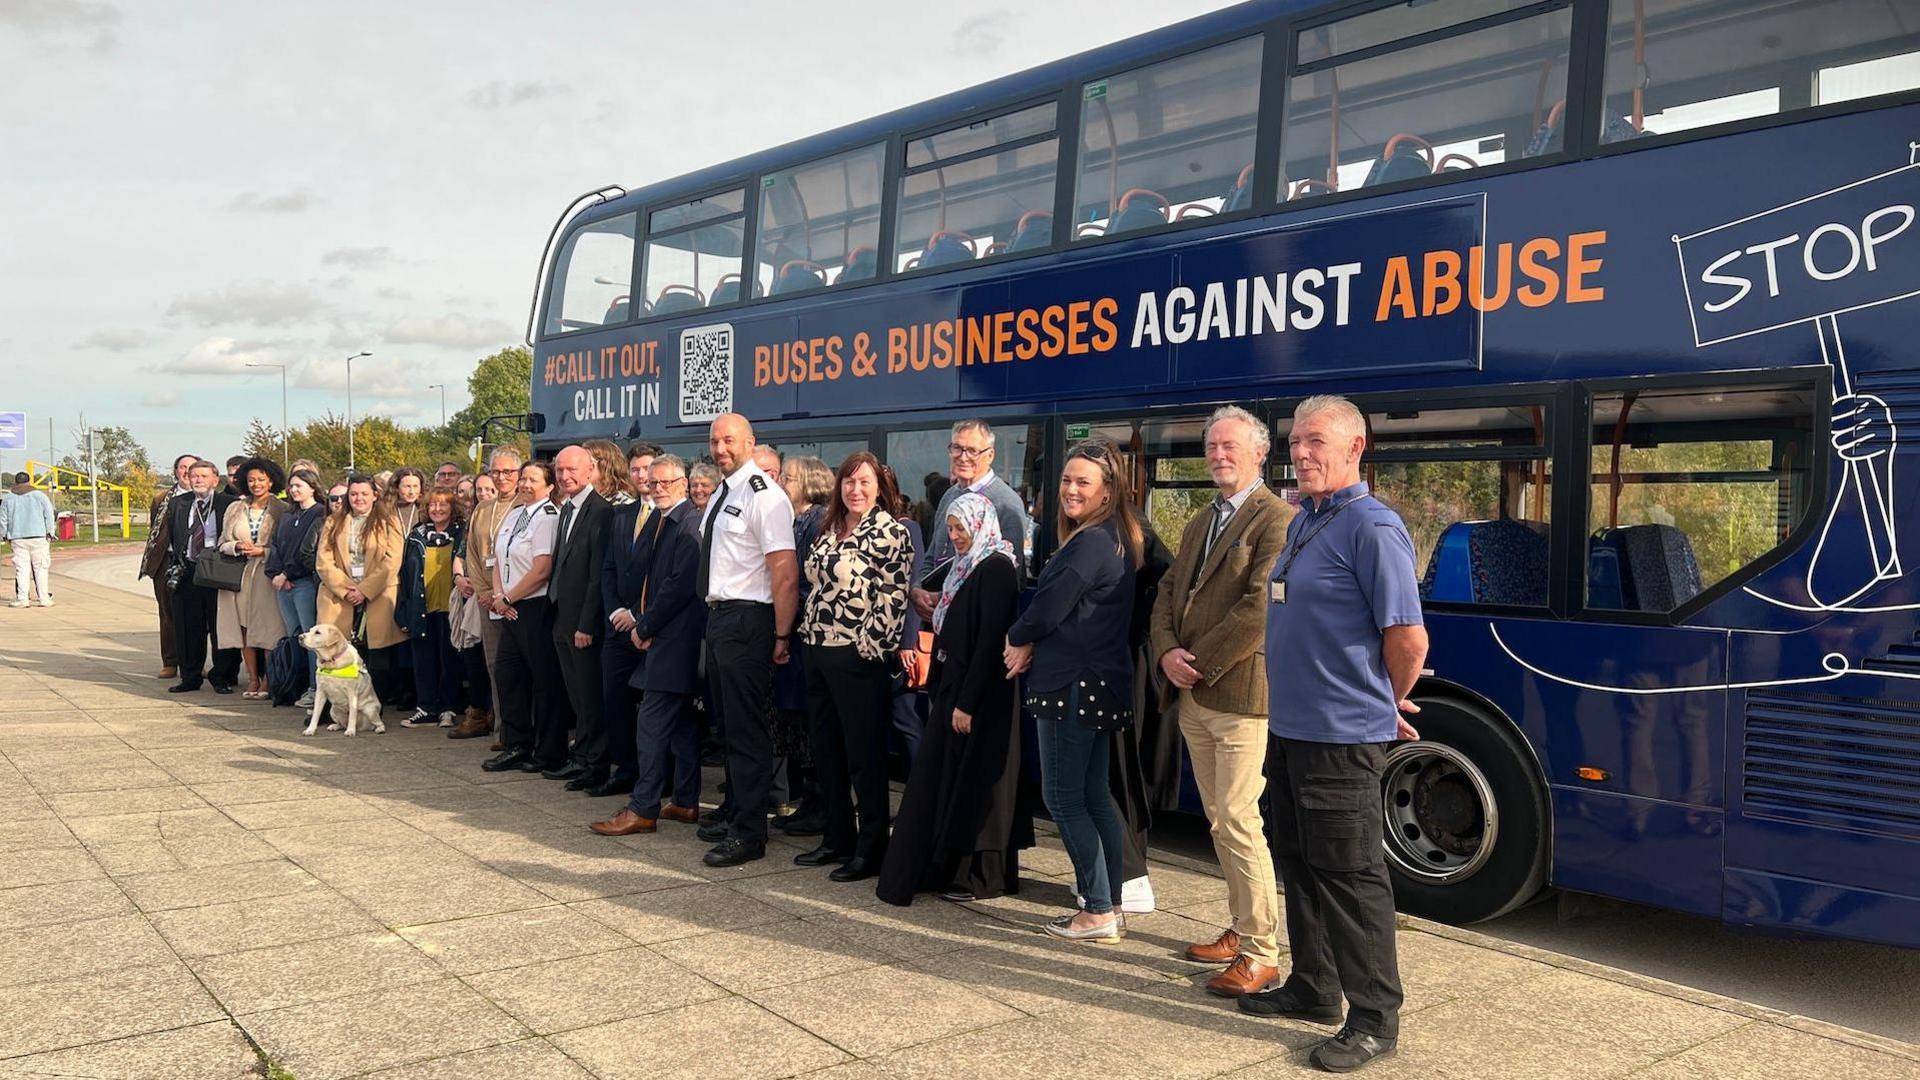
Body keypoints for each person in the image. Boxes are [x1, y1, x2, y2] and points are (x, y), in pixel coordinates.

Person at [1238, 396, 1427, 1074]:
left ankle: (1374, 1019)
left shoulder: (1372, 527)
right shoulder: (1306, 523)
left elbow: (1407, 636)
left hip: (1340, 738)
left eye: (1317, 440)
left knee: (1350, 875)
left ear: (1356, 447)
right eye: (1294, 441)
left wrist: (1384, 699)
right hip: (1290, 728)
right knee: (1302, 862)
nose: (1301, 452)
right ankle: (1315, 988)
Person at [1148, 406, 1292, 997]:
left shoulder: (1276, 519)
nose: (1218, 456)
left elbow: (1258, 609)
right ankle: (1240, 928)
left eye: (1230, 447)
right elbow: (1166, 592)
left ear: (1259, 453)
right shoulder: (1201, 520)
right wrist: (1165, 653)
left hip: (1237, 696)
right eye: (1211, 448)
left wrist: (1197, 662)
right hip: (1193, 695)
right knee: (1218, 820)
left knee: (1238, 820)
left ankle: (1261, 955)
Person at [1004, 440, 1142, 944]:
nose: (1070, 489)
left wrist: (1018, 640)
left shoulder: (1088, 543)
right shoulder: (1116, 536)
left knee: (1063, 797)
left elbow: (1046, 610)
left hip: (1072, 687)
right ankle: (1111, 901)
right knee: (1094, 795)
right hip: (1099, 684)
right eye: (1066, 480)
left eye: (1083, 482)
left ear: (1108, 492)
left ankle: (1098, 908)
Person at [877, 492, 1030, 905]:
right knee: (954, 781)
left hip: (980, 697)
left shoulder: (995, 568)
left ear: (981, 525)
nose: (956, 536)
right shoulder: (965, 567)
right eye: (950, 528)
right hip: (956, 689)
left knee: (976, 784)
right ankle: (955, 869)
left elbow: (987, 643)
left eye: (961, 528)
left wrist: (966, 702)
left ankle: (981, 875)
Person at [794, 452, 912, 883]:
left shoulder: (890, 533)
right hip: (817, 649)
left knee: (864, 757)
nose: (855, 490)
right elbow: (813, 581)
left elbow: (893, 598)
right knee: (826, 752)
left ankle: (871, 848)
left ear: (878, 487)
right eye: (848, 482)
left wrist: (868, 648)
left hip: (856, 658)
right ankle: (836, 837)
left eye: (864, 482)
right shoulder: (828, 529)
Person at [693, 413, 798, 867]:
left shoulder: (765, 496)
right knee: (725, 728)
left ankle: (749, 833)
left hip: (748, 621)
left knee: (746, 731)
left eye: (729, 441)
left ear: (751, 443)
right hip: (719, 617)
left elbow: (784, 572)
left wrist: (781, 633)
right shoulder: (723, 489)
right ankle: (736, 808)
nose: (720, 449)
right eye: (715, 441)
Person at [590, 454, 706, 835]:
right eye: (653, 483)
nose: (657, 489)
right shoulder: (662, 519)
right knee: (681, 724)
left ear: (684, 483)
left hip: (677, 639)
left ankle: (643, 807)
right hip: (667, 636)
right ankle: (686, 801)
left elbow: (678, 585)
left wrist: (644, 625)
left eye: (666, 483)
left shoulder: (688, 523)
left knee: (652, 724)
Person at [483, 461, 568, 773]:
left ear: (549, 486)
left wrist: (509, 597)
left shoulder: (547, 517)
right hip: (508, 607)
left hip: (533, 607)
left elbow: (542, 570)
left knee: (544, 683)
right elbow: (497, 559)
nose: (524, 484)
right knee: (508, 677)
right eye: (523, 479)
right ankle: (517, 745)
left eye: (533, 480)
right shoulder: (516, 513)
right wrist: (498, 597)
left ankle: (549, 752)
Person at [771, 454, 833, 838]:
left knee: (810, 725)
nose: (782, 481)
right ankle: (808, 798)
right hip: (792, 634)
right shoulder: (793, 520)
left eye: (789, 476)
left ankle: (819, 803)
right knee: (794, 724)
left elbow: (806, 582)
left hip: (803, 636)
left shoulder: (816, 522)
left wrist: (787, 619)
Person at [911, 419, 1028, 621]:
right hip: (940, 620)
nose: (963, 457)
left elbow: (1010, 577)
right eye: (957, 448)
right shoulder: (948, 496)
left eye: (972, 450)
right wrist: (917, 589)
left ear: (990, 455)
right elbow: (932, 555)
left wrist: (946, 596)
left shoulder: (1007, 502)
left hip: (978, 626)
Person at [545, 445, 613, 788]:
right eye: (559, 470)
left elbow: (598, 574)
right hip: (562, 616)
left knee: (589, 696)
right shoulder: (566, 509)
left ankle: (594, 764)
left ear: (591, 471)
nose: (564, 476)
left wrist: (587, 624)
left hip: (583, 624)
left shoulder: (600, 511)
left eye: (572, 470)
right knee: (576, 695)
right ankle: (582, 756)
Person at [594, 443, 660, 798]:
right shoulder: (621, 516)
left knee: (653, 708)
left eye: (647, 468)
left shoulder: (669, 517)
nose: (641, 476)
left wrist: (637, 614)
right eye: (635, 469)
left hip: (651, 628)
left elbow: (665, 577)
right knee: (615, 700)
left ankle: (658, 774)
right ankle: (625, 769)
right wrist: (616, 610)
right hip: (617, 628)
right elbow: (608, 568)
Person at [314, 473, 407, 705]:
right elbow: (323, 561)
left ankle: (375, 702)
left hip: (378, 592)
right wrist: (346, 589)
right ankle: (335, 703)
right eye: (353, 494)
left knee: (377, 653)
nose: (359, 498)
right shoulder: (333, 521)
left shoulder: (389, 521)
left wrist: (364, 590)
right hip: (339, 594)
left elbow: (393, 560)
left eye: (364, 493)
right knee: (337, 651)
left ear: (375, 495)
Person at [450, 449, 522, 741]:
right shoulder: (482, 508)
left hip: (517, 599)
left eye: (508, 472)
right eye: (496, 472)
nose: (501, 478)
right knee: (494, 665)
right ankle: (501, 729)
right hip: (487, 600)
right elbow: (473, 554)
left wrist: (503, 595)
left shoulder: (526, 505)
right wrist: (484, 591)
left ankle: (521, 730)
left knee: (518, 666)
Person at [166, 460, 241, 693]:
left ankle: (222, 676)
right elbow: (173, 534)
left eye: (203, 476)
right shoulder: (178, 503)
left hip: (216, 571)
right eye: (194, 475)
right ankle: (190, 676)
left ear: (215, 480)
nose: (198, 480)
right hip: (188, 570)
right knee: (189, 627)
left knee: (220, 626)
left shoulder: (228, 504)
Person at [216, 457, 288, 697]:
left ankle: (269, 680)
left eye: (261, 479)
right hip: (240, 573)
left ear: (271, 481)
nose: (256, 484)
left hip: (267, 574)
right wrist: (236, 546)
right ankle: (253, 679)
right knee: (244, 627)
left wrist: (263, 551)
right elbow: (222, 543)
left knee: (269, 627)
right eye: (251, 480)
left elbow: (285, 546)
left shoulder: (281, 509)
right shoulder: (235, 507)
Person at [397, 489, 466, 726]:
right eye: (432, 505)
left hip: (451, 607)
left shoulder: (461, 533)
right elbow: (405, 574)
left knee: (449, 660)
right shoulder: (416, 535)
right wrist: (404, 610)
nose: (437, 509)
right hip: (422, 607)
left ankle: (448, 708)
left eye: (443, 505)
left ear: (452, 508)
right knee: (424, 661)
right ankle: (426, 707)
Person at [267, 468, 327, 708]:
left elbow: (308, 551)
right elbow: (276, 547)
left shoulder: (319, 513)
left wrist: (287, 574)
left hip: (303, 584)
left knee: (311, 637)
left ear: (312, 487)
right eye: (291, 486)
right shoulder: (286, 516)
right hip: (283, 586)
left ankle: (315, 687)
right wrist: (275, 573)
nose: (294, 490)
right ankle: (297, 683)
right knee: (295, 637)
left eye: (299, 485)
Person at [447, 470, 497, 738]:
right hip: (470, 593)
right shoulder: (474, 518)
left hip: (492, 593)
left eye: (489, 489)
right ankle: (476, 712)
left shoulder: (508, 514)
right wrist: (458, 577)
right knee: (472, 655)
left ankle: (491, 713)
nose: (484, 494)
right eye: (480, 490)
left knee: (493, 660)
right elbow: (462, 552)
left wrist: (480, 585)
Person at [139, 454, 195, 675]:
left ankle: (193, 663)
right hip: (166, 561)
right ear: (176, 471)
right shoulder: (161, 499)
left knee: (193, 615)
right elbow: (155, 531)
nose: (186, 472)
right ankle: (170, 662)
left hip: (194, 563)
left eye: (191, 468)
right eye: (182, 467)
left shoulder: (209, 499)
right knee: (167, 613)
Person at [3, 472, 57, 608]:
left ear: (16, 482)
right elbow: (49, 514)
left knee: (22, 569)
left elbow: (2, 519)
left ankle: (22, 599)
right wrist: (50, 532)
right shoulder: (40, 496)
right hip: (39, 537)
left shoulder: (8, 498)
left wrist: (4, 535)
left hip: (17, 537)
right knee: (41, 568)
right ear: (29, 481)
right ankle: (44, 599)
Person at [388, 467, 426, 534]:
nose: (411, 492)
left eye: (415, 486)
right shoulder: (385, 510)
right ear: (396, 487)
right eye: (407, 486)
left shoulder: (426, 510)